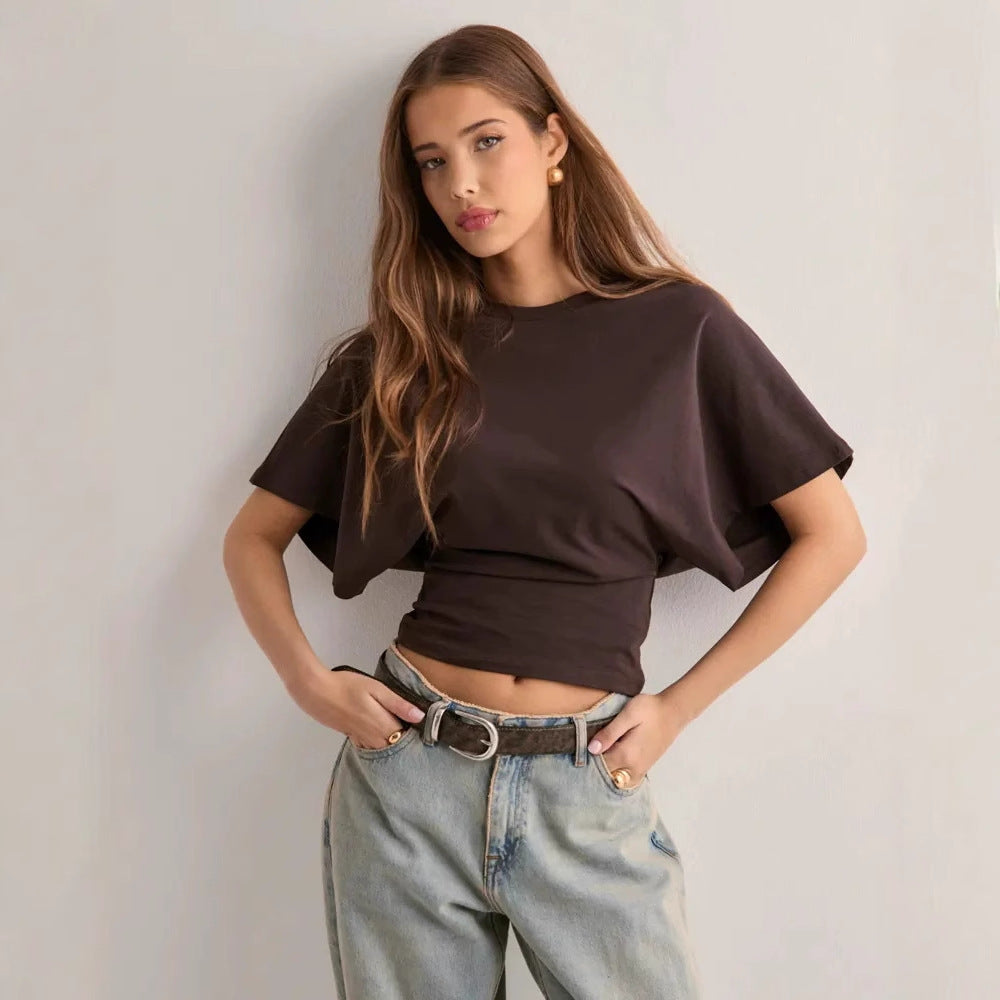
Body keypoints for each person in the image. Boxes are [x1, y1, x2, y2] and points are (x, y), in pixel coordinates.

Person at [223, 23, 866, 1000]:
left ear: (552, 141)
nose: (462, 185)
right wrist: (309, 683)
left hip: (584, 781)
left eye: (487, 142)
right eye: (432, 162)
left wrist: (679, 707)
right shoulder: (405, 350)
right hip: (408, 777)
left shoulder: (680, 328)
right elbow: (252, 538)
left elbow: (833, 534)